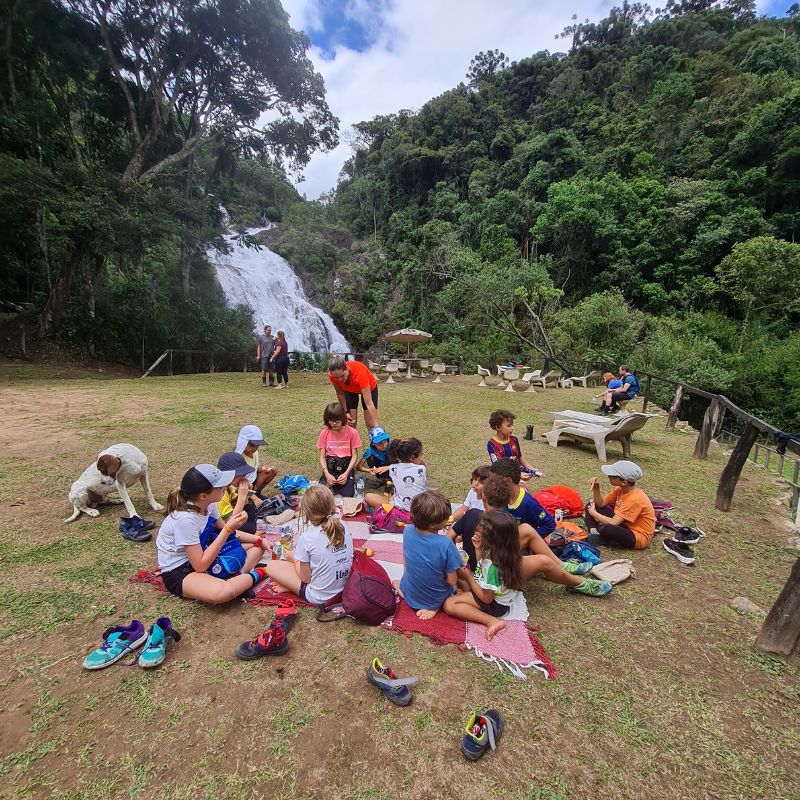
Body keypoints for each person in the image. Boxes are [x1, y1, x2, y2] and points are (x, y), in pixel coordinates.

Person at [453, 478, 612, 597]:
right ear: (508, 500)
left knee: (527, 530)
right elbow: (505, 558)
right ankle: (578, 582)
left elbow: (450, 538)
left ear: (484, 499)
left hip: (482, 565)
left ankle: (562, 567)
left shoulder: (473, 514)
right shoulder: (505, 522)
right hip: (496, 572)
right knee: (544, 561)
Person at [155, 464, 268, 603]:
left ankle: (236, 579)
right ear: (203, 495)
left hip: (206, 552)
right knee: (222, 593)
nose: (225, 487)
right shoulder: (185, 519)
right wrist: (227, 529)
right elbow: (200, 565)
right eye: (220, 486)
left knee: (258, 546)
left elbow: (227, 532)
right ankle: (261, 572)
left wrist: (259, 539)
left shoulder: (209, 504)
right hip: (183, 569)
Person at [265, 484, 353, 603]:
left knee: (272, 566)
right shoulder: (344, 526)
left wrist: (294, 560)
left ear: (306, 511)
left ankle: (291, 587)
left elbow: (305, 578)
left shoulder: (307, 537)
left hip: (319, 596)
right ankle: (290, 585)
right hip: (344, 589)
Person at [444, 510, 524, 640]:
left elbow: (486, 599)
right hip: (489, 591)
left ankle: (491, 621)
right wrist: (478, 549)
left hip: (495, 604)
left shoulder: (492, 566)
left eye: (481, 531)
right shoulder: (502, 553)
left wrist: (469, 577)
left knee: (450, 604)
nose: (476, 531)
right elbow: (482, 566)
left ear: (493, 538)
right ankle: (467, 592)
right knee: (459, 582)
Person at [397, 491, 462, 620]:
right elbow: (452, 581)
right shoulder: (446, 543)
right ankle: (435, 607)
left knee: (404, 579)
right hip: (434, 598)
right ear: (432, 524)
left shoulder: (407, 530)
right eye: (445, 517)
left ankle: (401, 588)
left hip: (410, 591)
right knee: (459, 584)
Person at [585, 460, 655, 549]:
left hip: (636, 536)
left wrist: (594, 514)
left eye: (612, 476)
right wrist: (596, 488)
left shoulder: (635, 499)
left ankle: (602, 536)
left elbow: (613, 523)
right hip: (623, 524)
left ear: (624, 482)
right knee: (590, 505)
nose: (608, 477)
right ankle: (594, 532)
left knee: (608, 528)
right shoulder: (620, 489)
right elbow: (600, 504)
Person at [489, 459, 555, 538]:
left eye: (494, 481)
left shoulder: (529, 503)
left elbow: (549, 524)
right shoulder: (499, 497)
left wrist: (528, 537)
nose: (491, 484)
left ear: (508, 481)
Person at [364, 438, 426, 516]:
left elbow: (395, 467)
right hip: (419, 512)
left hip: (397, 509)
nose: (422, 457)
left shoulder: (393, 469)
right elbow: (420, 463)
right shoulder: (422, 469)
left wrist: (386, 467)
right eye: (421, 454)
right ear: (412, 457)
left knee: (368, 496)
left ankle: (393, 514)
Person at [317, 402, 362, 498]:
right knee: (319, 495)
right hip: (330, 467)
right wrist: (327, 474)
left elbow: (354, 455)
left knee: (348, 495)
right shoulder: (324, 433)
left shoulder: (352, 432)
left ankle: (342, 484)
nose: (333, 424)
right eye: (331, 421)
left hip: (346, 467)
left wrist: (346, 474)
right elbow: (322, 456)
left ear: (343, 418)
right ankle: (331, 486)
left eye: (337, 421)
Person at [327, 355, 379, 429]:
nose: (340, 379)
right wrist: (345, 412)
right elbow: (340, 394)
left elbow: (369, 403)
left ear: (347, 368)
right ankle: (350, 440)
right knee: (350, 423)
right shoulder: (332, 376)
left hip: (370, 388)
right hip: (349, 390)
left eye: (342, 375)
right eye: (337, 378)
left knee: (371, 424)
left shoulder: (359, 372)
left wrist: (376, 425)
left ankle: (375, 437)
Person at [486, 410, 542, 479]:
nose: (512, 428)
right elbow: (498, 467)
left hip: (516, 475)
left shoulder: (514, 439)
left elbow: (519, 457)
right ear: (498, 427)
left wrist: (532, 469)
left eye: (512, 425)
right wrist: (518, 475)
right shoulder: (492, 444)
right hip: (502, 478)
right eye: (508, 426)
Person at [235, 424, 277, 496]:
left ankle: (257, 492)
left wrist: (262, 469)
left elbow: (255, 468)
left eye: (257, 445)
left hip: (253, 481)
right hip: (243, 486)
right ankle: (250, 496)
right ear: (243, 442)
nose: (254, 448)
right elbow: (235, 483)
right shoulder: (237, 458)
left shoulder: (255, 452)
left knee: (273, 471)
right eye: (251, 445)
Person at [356, 425, 392, 491]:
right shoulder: (370, 450)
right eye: (380, 444)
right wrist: (370, 470)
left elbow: (401, 464)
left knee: (391, 455)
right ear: (373, 444)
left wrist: (389, 468)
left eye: (385, 441)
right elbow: (358, 467)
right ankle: (382, 478)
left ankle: (392, 479)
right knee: (371, 458)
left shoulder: (392, 446)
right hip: (379, 469)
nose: (384, 445)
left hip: (392, 468)